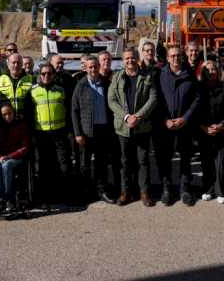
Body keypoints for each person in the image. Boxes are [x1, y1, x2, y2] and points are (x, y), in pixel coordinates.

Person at [108, 47, 158, 206]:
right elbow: (112, 100)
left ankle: (144, 192)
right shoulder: (117, 77)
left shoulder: (147, 77)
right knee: (125, 161)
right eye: (127, 58)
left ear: (137, 59)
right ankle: (125, 192)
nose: (130, 61)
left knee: (143, 161)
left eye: (132, 58)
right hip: (123, 128)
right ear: (123, 60)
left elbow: (153, 98)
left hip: (142, 126)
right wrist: (127, 116)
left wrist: (138, 116)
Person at [71, 55, 120, 204]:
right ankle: (86, 191)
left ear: (99, 67)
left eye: (95, 66)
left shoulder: (106, 83)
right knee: (85, 164)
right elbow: (74, 110)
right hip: (87, 132)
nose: (93, 69)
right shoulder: (81, 85)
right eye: (90, 67)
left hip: (103, 130)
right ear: (85, 68)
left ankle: (101, 189)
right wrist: (78, 133)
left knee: (102, 162)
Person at [156, 45, 200, 206]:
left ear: (182, 57)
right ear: (167, 58)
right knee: (165, 159)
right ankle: (166, 189)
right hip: (165, 126)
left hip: (184, 125)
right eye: (172, 56)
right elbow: (157, 100)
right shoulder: (160, 75)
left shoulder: (190, 75)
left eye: (178, 56)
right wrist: (164, 119)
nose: (175, 58)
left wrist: (185, 118)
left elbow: (197, 99)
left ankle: (185, 189)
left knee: (185, 158)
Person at [30, 63, 74, 203]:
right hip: (41, 135)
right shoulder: (33, 92)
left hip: (59, 134)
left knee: (63, 164)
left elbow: (68, 111)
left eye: (49, 73)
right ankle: (45, 197)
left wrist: (69, 131)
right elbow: (30, 114)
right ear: (39, 75)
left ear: (53, 75)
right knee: (43, 166)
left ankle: (65, 195)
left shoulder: (61, 90)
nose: (46, 76)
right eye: (43, 74)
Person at [198, 60, 224, 204]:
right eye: (208, 69)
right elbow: (195, 111)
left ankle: (220, 191)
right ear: (203, 72)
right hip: (204, 130)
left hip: (221, 130)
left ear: (218, 72)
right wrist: (204, 127)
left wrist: (221, 125)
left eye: (213, 69)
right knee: (206, 162)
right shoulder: (199, 89)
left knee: (220, 163)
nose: (211, 72)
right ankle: (208, 189)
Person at [0, 102, 30, 213]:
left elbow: (25, 147)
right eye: (4, 114)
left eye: (9, 113)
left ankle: (9, 199)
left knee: (7, 164)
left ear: (13, 112)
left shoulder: (21, 125)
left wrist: (8, 157)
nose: (7, 116)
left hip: (15, 158)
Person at [0, 53, 35, 118]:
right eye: (13, 62)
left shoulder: (31, 79)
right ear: (8, 64)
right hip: (5, 121)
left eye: (18, 63)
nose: (16, 65)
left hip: (24, 121)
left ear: (22, 65)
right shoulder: (0, 79)